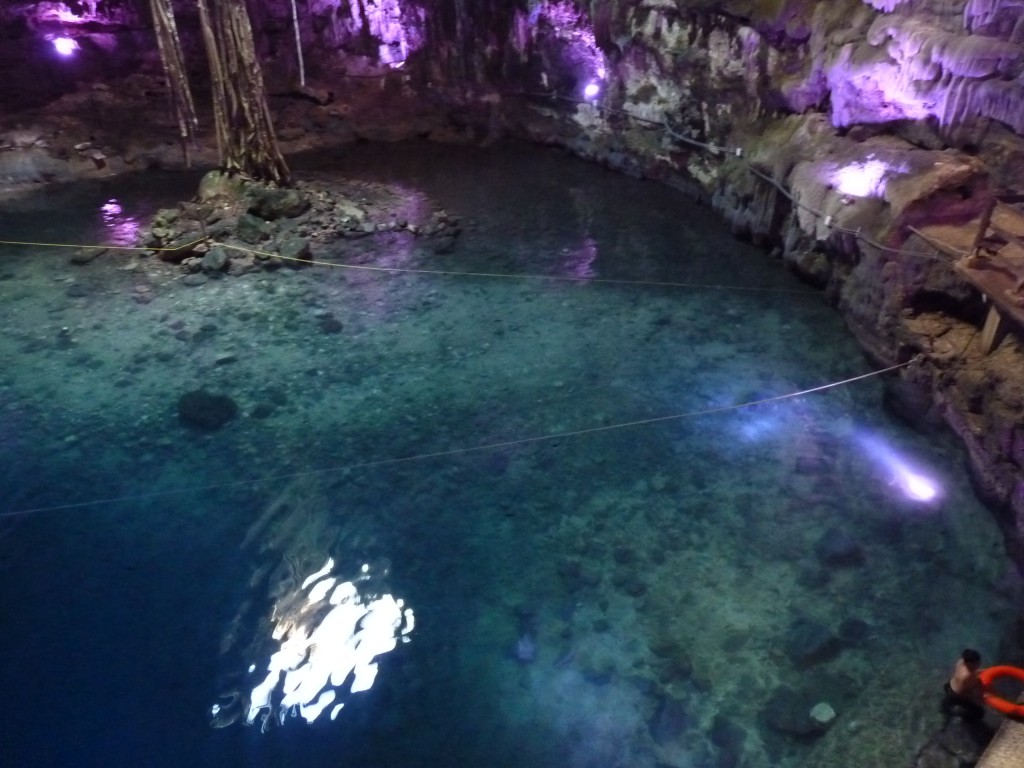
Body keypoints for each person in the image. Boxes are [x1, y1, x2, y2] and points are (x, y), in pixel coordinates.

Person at [941, 648, 986, 722]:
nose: (979, 664)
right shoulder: (967, 676)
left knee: (948, 703)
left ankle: (947, 707)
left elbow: (973, 671)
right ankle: (960, 718)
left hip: (949, 685)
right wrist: (980, 699)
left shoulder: (961, 661)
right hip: (957, 695)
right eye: (977, 663)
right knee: (980, 713)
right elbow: (967, 693)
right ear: (969, 664)